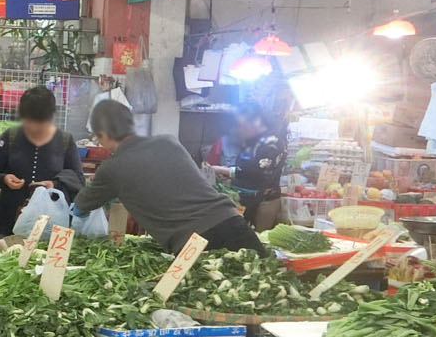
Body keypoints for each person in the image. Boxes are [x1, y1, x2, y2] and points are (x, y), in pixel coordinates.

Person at [73, 99, 263, 253]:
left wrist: (78, 213)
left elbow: (82, 205)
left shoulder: (112, 168)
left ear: (104, 135)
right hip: (233, 222)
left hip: (194, 244)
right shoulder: (169, 142)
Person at [0, 86, 86, 238]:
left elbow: (78, 180)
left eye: (41, 122)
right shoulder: (10, 137)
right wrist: (4, 179)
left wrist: (54, 185)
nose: (35, 128)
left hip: (51, 225)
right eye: (30, 121)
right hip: (9, 223)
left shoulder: (65, 141)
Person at [214, 103, 286, 231]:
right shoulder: (251, 142)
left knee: (258, 238)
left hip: (263, 202)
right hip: (246, 200)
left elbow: (257, 172)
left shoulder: (271, 142)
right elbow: (244, 168)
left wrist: (224, 170)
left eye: (242, 125)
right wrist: (231, 180)